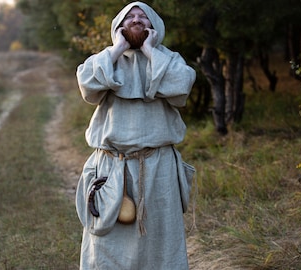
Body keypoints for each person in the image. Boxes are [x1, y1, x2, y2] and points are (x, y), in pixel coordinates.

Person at [75, 1, 196, 269]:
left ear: (154, 28)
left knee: (161, 246)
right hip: (110, 167)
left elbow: (182, 86)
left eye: (143, 16)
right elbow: (87, 86)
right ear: (119, 26)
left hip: (158, 167)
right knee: (105, 247)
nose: (137, 20)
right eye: (130, 16)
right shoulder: (107, 60)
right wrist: (117, 48)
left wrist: (151, 52)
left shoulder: (168, 59)